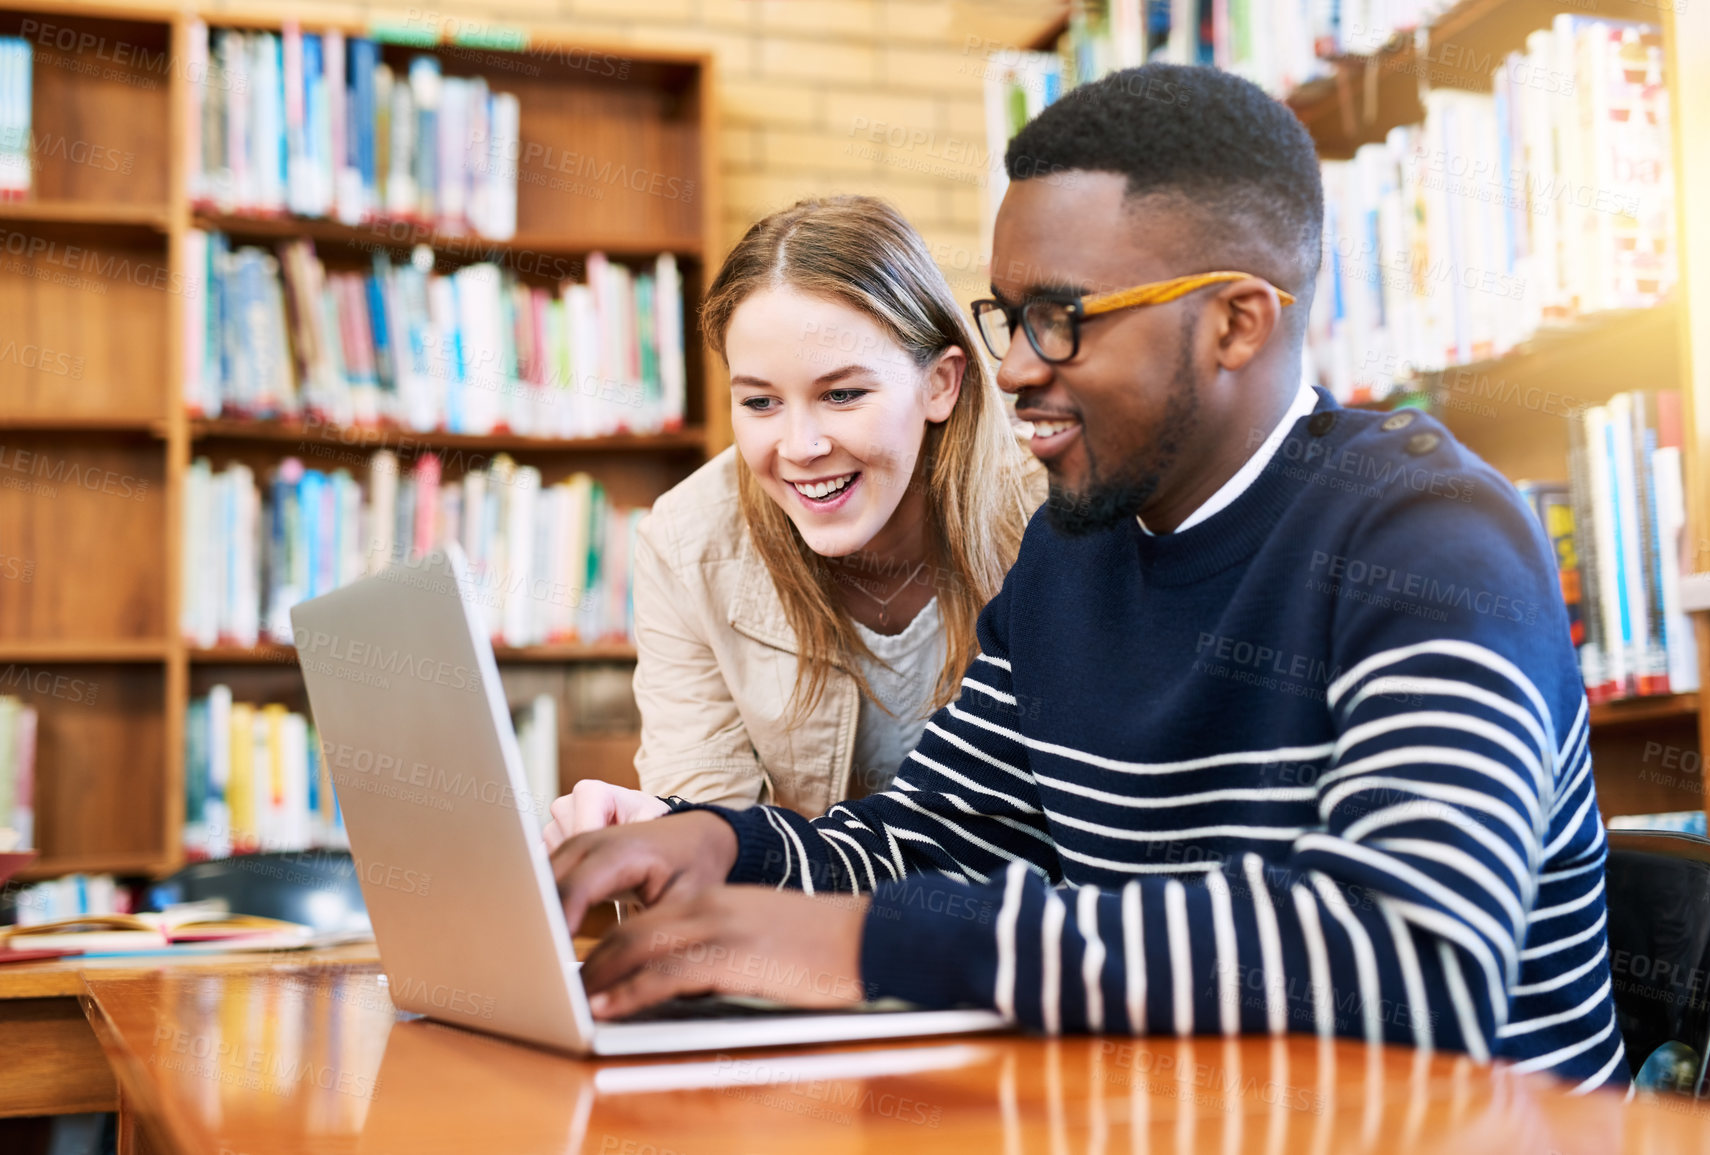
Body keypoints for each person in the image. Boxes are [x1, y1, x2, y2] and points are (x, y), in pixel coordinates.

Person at [547, 63, 1628, 1090]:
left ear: (1237, 323)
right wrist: (717, 843)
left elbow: (1410, 958)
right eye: (1010, 318)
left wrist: (876, 945)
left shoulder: (1434, 540)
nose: (1016, 370)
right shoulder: (1072, 552)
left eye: (1062, 320)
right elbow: (930, 837)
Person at [542, 196, 1044, 844]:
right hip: (810, 929)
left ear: (939, 384)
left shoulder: (1052, 516)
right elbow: (709, 840)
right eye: (760, 401)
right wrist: (663, 845)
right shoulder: (688, 541)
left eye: (842, 393)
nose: (799, 446)